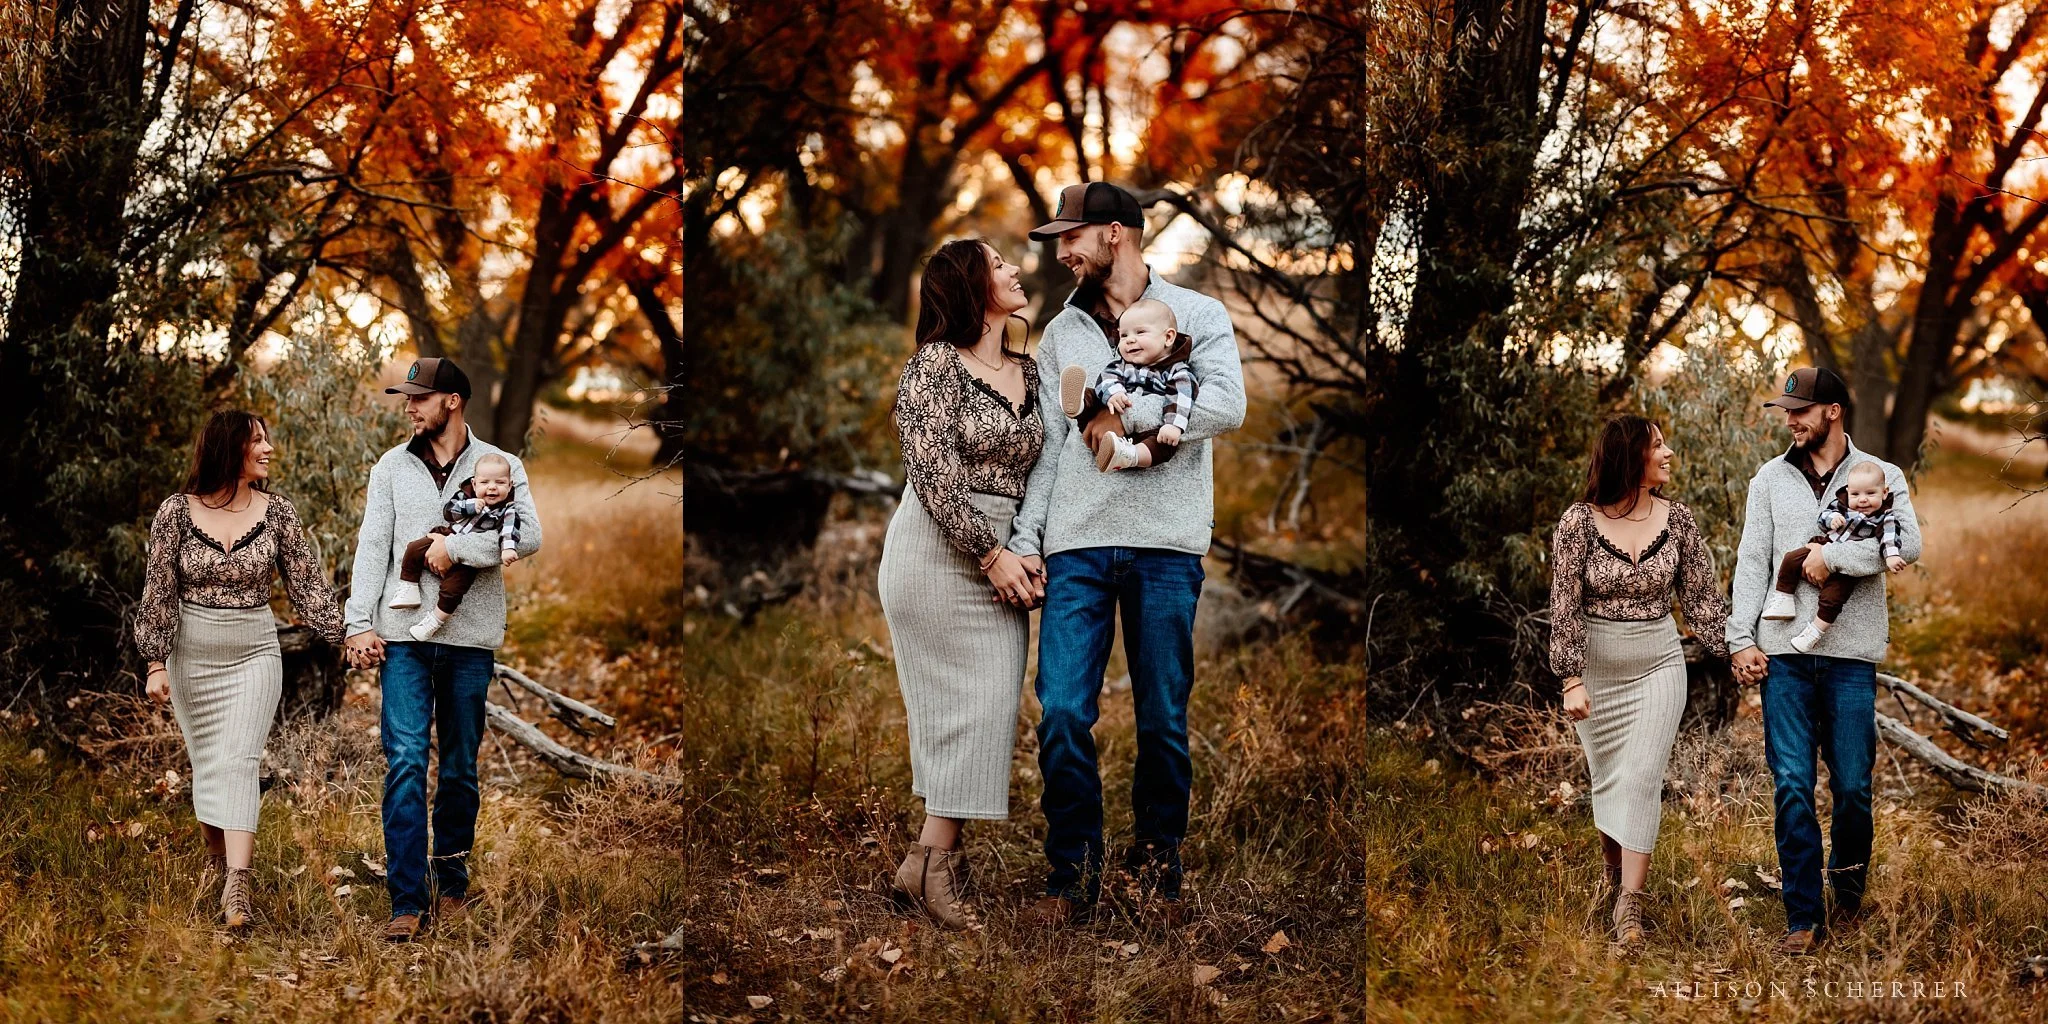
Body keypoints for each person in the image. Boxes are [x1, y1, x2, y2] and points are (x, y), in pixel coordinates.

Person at [1008, 181, 1246, 928]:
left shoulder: (1197, 315)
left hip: (1167, 546)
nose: (1061, 252)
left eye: (1071, 237)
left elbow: (1227, 405)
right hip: (1076, 544)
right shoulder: (1062, 333)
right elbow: (1051, 447)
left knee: (1162, 718)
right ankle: (1071, 876)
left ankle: (1155, 875)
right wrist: (1027, 539)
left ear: (1114, 233)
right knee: (1062, 712)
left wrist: (1117, 414)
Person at [340, 356, 543, 942]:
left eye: (419, 397)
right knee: (405, 761)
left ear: (452, 400)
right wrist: (358, 623)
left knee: (458, 768)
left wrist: (457, 549)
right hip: (402, 638)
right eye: (407, 398)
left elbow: (528, 535)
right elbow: (373, 546)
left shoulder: (500, 465)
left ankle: (450, 886)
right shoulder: (390, 466)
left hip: (469, 640)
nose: (409, 407)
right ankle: (406, 900)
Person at [876, 238, 1045, 930]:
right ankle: (937, 872)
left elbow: (1048, 470)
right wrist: (990, 553)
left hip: (1006, 549)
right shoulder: (934, 365)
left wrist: (1025, 547)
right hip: (936, 551)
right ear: (971, 285)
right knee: (959, 712)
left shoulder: (1031, 370)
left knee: (990, 707)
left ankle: (918, 868)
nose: (1013, 268)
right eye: (998, 263)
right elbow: (931, 471)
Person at [1725, 366, 1920, 955]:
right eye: (1786, 411)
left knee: (1854, 787)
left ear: (1832, 411)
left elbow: (1906, 546)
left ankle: (1849, 898)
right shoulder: (1769, 478)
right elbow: (1753, 561)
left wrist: (1831, 557)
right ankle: (1803, 917)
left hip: (1850, 656)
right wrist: (1741, 639)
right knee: (1791, 784)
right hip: (1783, 654)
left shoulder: (1882, 475)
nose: (1790, 420)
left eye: (1800, 410)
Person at [134, 410, 345, 932]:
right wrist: (155, 661)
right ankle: (217, 861)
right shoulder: (175, 512)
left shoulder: (278, 513)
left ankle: (238, 886)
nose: (268, 448)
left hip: (254, 654)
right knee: (209, 765)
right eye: (257, 441)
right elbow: (158, 592)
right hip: (191, 660)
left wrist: (350, 634)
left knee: (240, 761)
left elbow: (308, 588)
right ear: (229, 449)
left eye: (267, 439)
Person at [1548, 415, 1728, 949]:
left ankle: (1630, 906)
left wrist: (1740, 650)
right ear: (1630, 457)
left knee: (1643, 776)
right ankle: (1613, 878)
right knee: (1609, 777)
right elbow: (1564, 606)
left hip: (1658, 663)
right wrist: (1571, 679)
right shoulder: (1578, 523)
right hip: (1597, 671)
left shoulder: (1680, 521)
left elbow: (1702, 601)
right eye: (1658, 446)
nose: (1669, 454)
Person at [1762, 461, 1908, 653]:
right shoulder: (1842, 505)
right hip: (1824, 544)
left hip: (1848, 567)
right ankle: (1784, 597)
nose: (1862, 500)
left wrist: (1891, 557)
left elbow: (1889, 538)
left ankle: (1815, 631)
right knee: (1791, 558)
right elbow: (1823, 518)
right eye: (1855, 494)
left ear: (1884, 492)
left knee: (1832, 598)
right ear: (1848, 492)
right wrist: (1832, 520)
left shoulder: (1884, 517)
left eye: (1870, 493)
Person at [387, 452, 527, 641]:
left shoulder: (507, 510)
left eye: (500, 483)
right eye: (485, 482)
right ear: (474, 483)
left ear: (510, 485)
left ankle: (434, 621)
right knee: (414, 548)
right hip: (446, 535)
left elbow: (510, 529)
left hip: (469, 558)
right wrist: (469, 506)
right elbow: (448, 511)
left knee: (453, 589)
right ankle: (409, 586)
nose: (492, 487)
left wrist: (508, 548)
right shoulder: (466, 495)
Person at [1056, 297, 1197, 471]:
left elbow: (1181, 399)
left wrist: (1173, 425)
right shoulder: (1123, 365)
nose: (1129, 340)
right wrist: (1114, 393)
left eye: (1140, 332)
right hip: (1103, 414)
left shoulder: (1177, 372)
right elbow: (1108, 377)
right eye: (1124, 335)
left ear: (1168, 337)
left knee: (1164, 445)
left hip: (1146, 433)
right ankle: (1078, 406)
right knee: (1094, 394)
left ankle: (1129, 455)